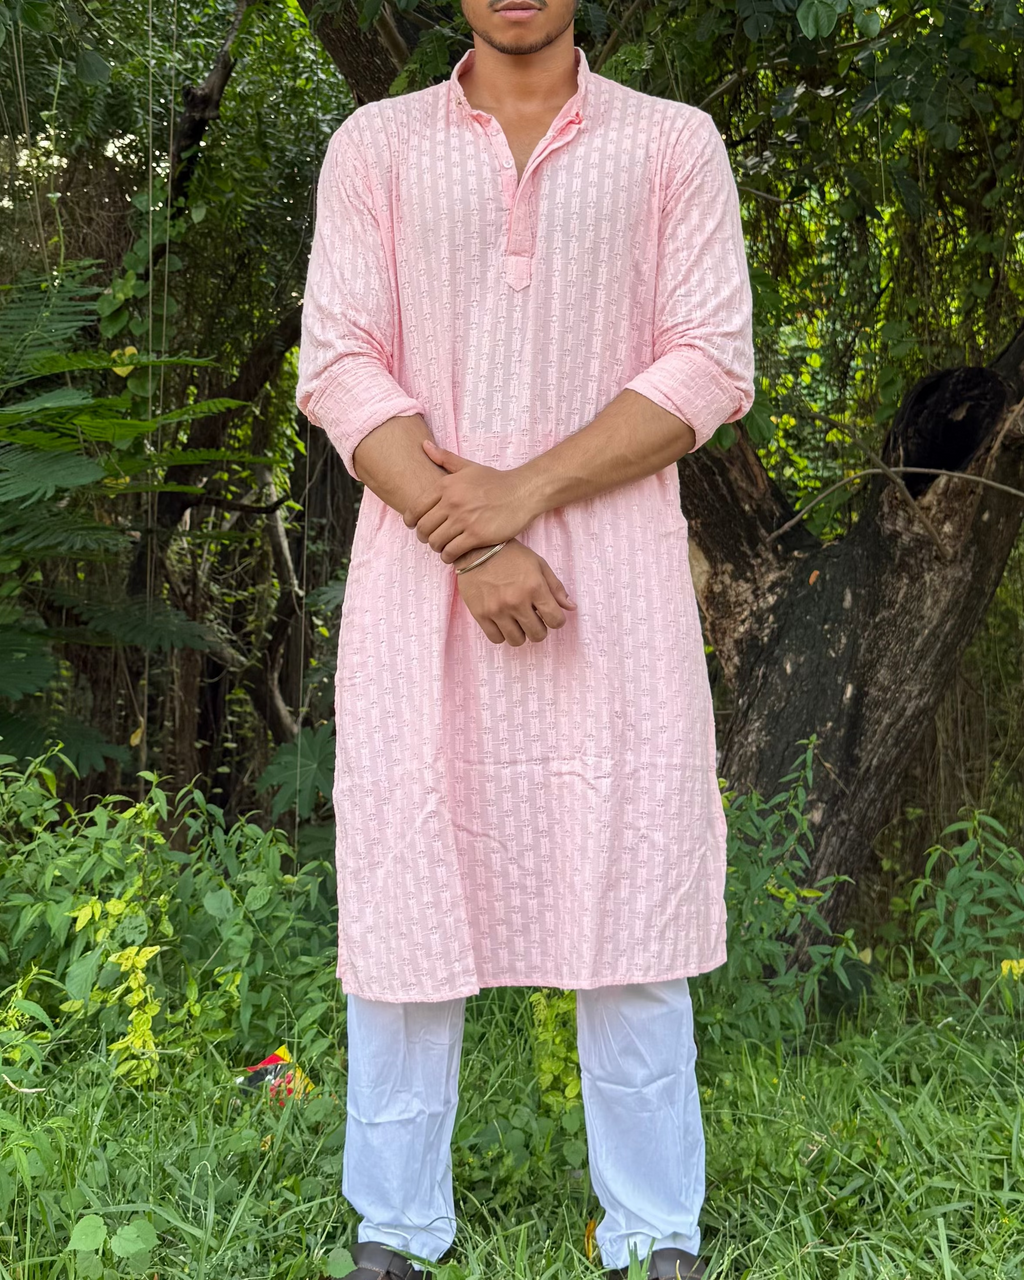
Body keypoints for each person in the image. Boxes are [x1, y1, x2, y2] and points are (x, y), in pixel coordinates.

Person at [295, 0, 755, 1273]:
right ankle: (393, 1221)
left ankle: (657, 1226)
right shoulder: (376, 147)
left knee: (635, 898)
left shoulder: (671, 144)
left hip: (615, 590)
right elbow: (338, 365)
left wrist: (526, 492)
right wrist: (480, 544)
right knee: (405, 886)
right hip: (421, 582)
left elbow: (710, 364)